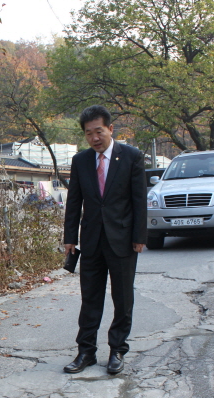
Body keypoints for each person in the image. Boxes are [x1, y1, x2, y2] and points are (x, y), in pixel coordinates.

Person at [62, 105, 147, 375]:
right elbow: (74, 201)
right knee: (90, 298)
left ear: (110, 129)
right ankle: (85, 351)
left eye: (99, 131)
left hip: (123, 239)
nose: (95, 138)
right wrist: (70, 237)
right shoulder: (81, 161)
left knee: (122, 298)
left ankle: (117, 350)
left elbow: (139, 200)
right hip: (91, 240)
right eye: (89, 133)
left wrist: (139, 236)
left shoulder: (131, 156)